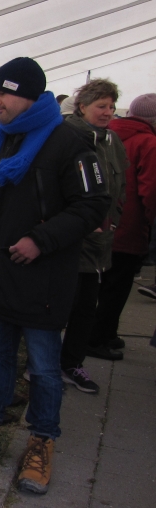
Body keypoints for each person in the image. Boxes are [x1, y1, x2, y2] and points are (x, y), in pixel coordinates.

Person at [0, 57, 108, 496]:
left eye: (5, 92)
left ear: (32, 96)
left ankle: (42, 440)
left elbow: (92, 206)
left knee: (42, 366)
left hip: (43, 278)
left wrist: (41, 238)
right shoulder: (2, 139)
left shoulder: (69, 142)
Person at [58, 79, 127, 393]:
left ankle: (71, 363)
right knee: (63, 306)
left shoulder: (113, 141)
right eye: (101, 106)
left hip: (100, 242)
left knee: (86, 308)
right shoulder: (67, 136)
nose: (108, 112)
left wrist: (114, 221)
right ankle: (45, 365)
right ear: (82, 106)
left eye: (111, 107)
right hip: (72, 240)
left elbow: (120, 187)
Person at [89, 95, 156, 351]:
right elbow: (150, 191)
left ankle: (93, 333)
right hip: (129, 225)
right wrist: (148, 224)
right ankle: (101, 337)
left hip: (100, 221)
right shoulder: (149, 142)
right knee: (117, 287)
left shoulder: (107, 134)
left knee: (97, 285)